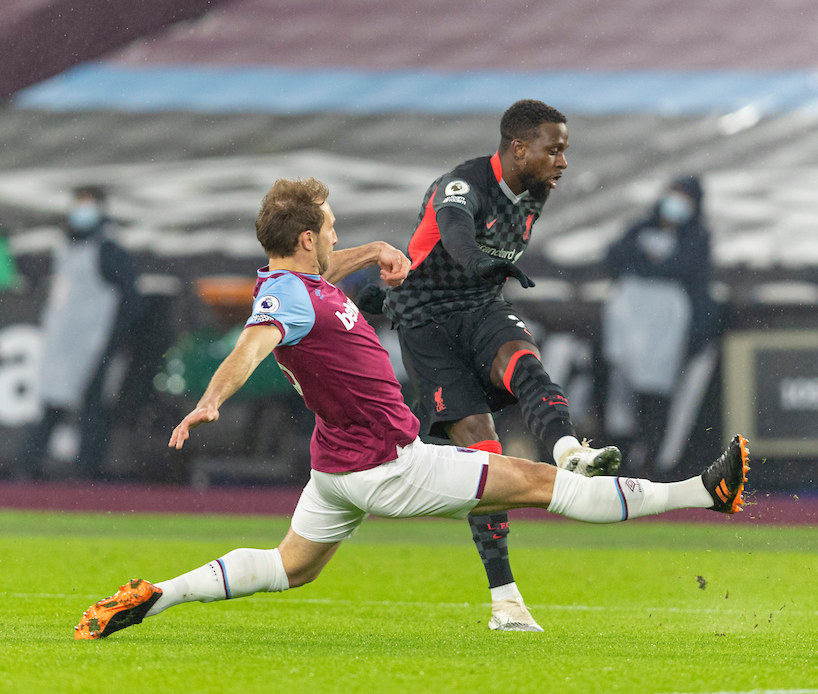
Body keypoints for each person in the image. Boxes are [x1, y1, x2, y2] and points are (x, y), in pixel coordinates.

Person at [73, 177, 751, 640]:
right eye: (332, 230)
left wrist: (369, 252)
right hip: (389, 465)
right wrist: (210, 401)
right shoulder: (284, 300)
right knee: (546, 482)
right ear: (307, 237)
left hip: (336, 470)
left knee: (289, 567)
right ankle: (703, 490)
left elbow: (318, 281)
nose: (337, 239)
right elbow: (252, 346)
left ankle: (154, 594)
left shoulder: (302, 283)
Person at [365, 100, 620, 631]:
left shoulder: (536, 190)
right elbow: (455, 230)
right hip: (425, 323)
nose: (563, 163)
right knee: (485, 452)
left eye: (565, 150)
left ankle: (568, 451)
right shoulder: (461, 184)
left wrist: (485, 274)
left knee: (526, 365)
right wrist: (478, 260)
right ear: (518, 147)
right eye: (555, 150)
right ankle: (506, 600)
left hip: (479, 309)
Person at [16, 186, 141, 479]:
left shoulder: (108, 249)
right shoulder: (67, 246)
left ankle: (86, 468)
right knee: (55, 401)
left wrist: (116, 337)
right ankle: (32, 463)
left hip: (93, 342)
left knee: (91, 406)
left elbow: (130, 298)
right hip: (64, 341)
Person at [603, 176, 720, 476]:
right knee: (624, 399)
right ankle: (623, 459)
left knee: (659, 400)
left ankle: (656, 462)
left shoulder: (696, 238)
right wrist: (647, 261)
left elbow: (685, 270)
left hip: (667, 335)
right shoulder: (641, 230)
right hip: (631, 331)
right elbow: (615, 256)